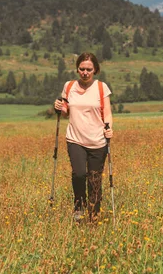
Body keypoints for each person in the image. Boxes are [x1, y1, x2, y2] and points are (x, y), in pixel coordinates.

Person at [54, 52, 113, 223]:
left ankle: (94, 214)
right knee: (79, 174)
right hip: (75, 139)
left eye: (89, 69)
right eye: (82, 69)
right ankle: (79, 206)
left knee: (95, 179)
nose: (85, 72)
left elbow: (107, 113)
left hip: (97, 140)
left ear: (95, 70)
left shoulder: (102, 88)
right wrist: (59, 107)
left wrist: (109, 129)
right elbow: (65, 112)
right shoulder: (69, 86)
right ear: (77, 69)